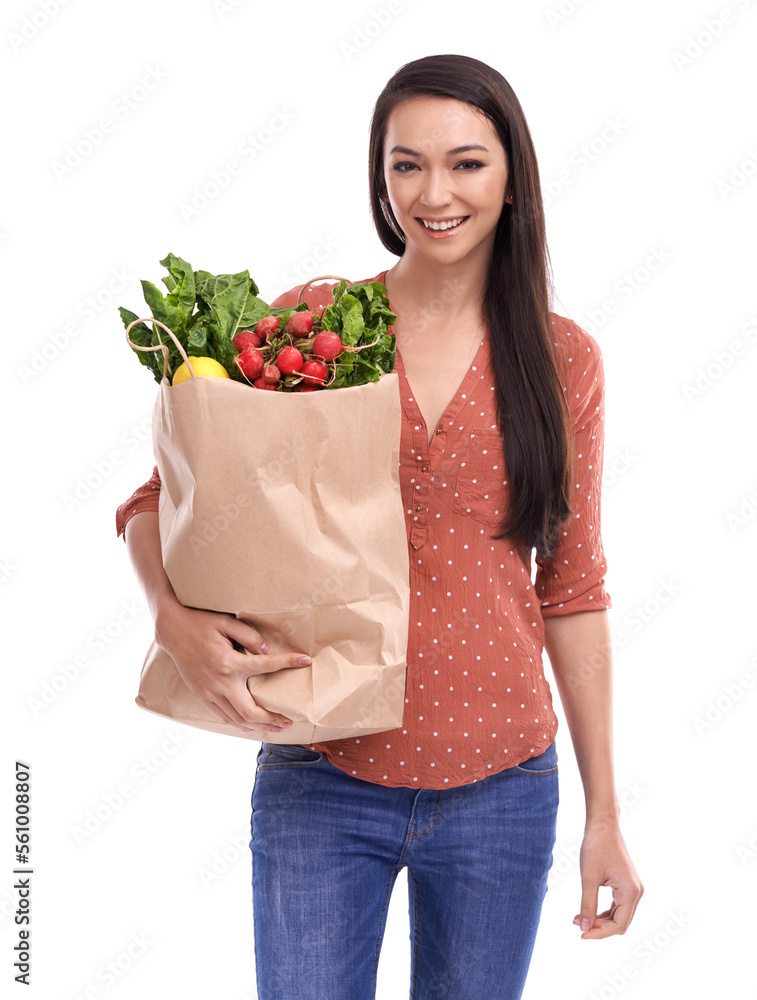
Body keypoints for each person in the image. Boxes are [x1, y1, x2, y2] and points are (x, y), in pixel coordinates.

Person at [116, 53, 643, 1000]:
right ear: (380, 173)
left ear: (512, 174)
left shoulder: (565, 360)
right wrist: (171, 618)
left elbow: (572, 588)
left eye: (465, 163)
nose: (433, 193)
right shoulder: (317, 324)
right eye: (407, 164)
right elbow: (159, 498)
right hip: (322, 772)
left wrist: (605, 813)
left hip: (503, 785)